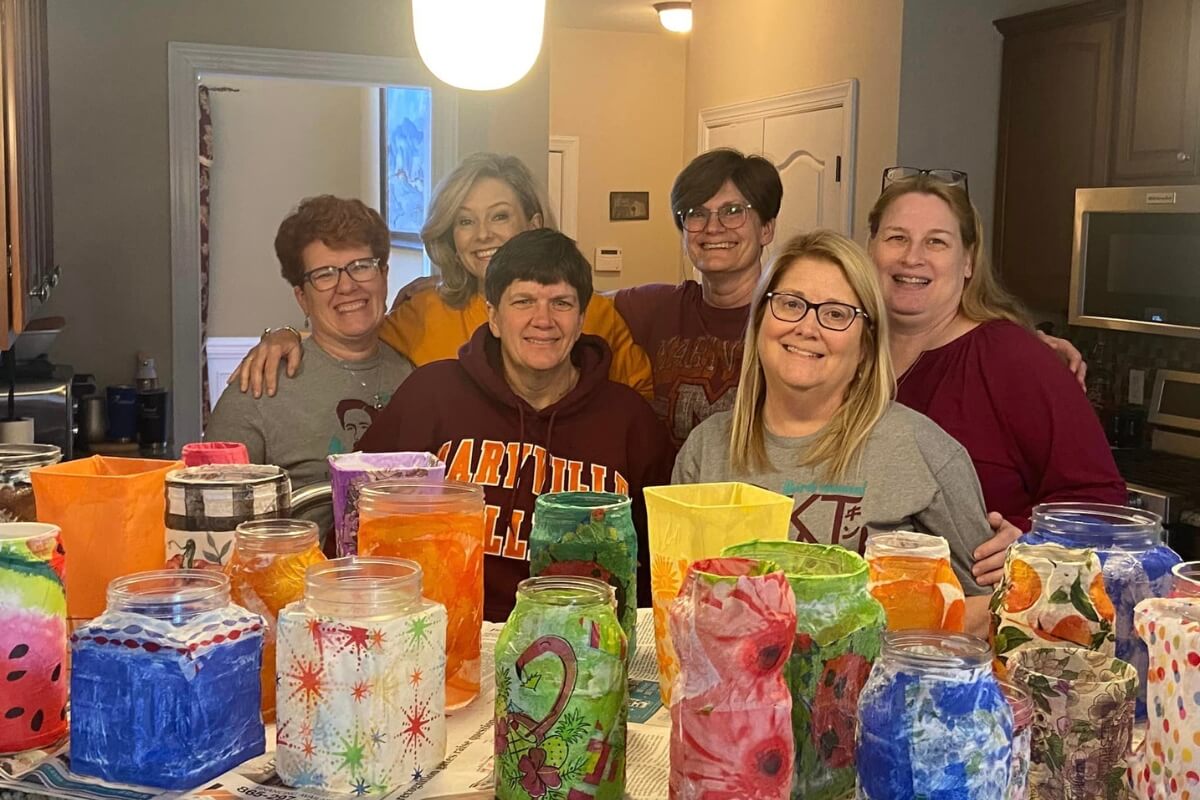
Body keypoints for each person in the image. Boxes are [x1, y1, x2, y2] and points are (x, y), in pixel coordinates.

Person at [673, 229, 996, 634]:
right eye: (791, 304)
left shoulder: (921, 448)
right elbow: (682, 602)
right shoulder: (706, 448)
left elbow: (988, 607)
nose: (808, 327)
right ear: (759, 321)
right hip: (735, 693)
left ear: (865, 344)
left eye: (836, 314)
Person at [358, 228, 674, 621]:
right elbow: (357, 519)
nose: (543, 320)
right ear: (493, 316)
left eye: (560, 303)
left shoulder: (631, 421)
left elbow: (661, 565)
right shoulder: (430, 396)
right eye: (523, 301)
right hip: (443, 633)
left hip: (587, 641)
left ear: (580, 321)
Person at [234, 153, 653, 401]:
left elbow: (636, 408)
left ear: (534, 223)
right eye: (465, 221)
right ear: (451, 236)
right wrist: (287, 334)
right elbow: (348, 343)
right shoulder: (422, 313)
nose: (483, 234)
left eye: (500, 216)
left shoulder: (592, 313)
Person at [866, 170, 1125, 531]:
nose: (912, 257)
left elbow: (1100, 498)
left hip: (979, 585)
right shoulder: (844, 349)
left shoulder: (1013, 359)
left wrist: (1026, 538)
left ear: (969, 261)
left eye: (936, 242)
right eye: (896, 237)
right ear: (871, 248)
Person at [206, 195, 413, 489]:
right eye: (324, 275)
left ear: (384, 275)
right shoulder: (258, 390)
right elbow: (212, 516)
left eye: (361, 266)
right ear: (302, 298)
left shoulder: (416, 368)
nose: (347, 285)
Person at [613, 148, 780, 450]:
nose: (713, 227)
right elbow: (570, 299)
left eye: (732, 211)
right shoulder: (657, 307)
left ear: (766, 229)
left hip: (755, 494)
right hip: (665, 493)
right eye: (697, 213)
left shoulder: (791, 318)